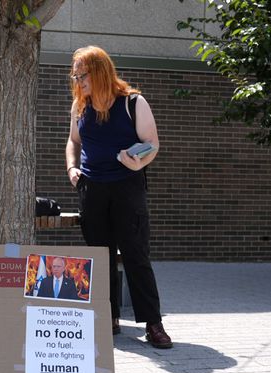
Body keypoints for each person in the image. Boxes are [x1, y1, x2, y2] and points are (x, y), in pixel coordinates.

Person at [65, 46, 172, 348]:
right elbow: (73, 142)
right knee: (101, 258)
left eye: (81, 74)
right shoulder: (79, 106)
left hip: (127, 186)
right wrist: (73, 168)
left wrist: (138, 161)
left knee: (136, 255)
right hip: (92, 189)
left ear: (98, 72)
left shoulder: (133, 103)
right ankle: (107, 317)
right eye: (74, 75)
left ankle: (153, 324)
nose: (77, 80)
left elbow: (151, 143)